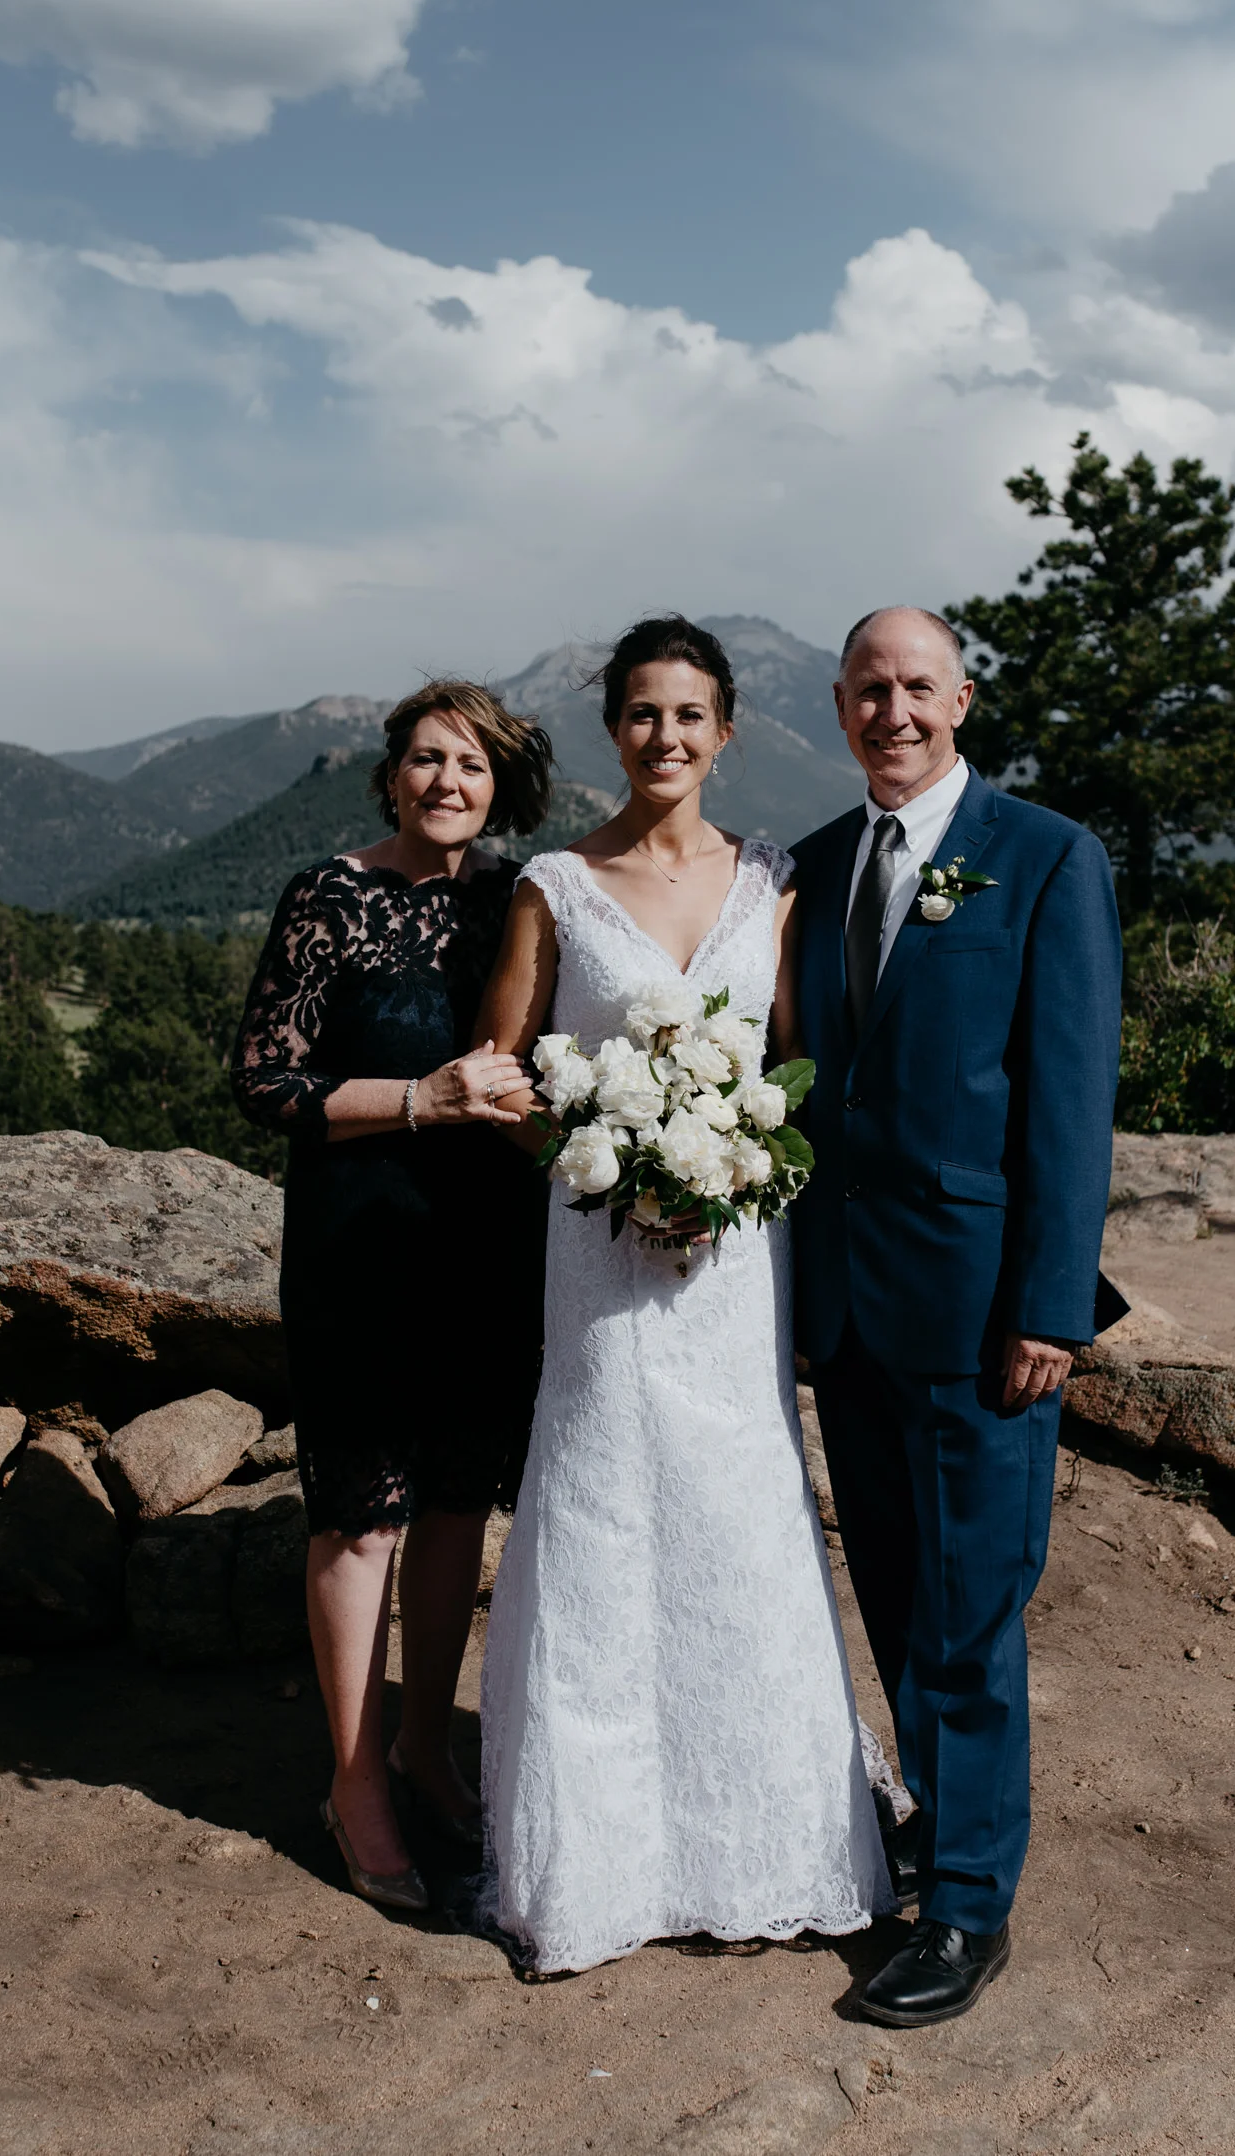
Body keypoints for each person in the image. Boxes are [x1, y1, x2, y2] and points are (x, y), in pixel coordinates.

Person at [472, 614, 894, 1975]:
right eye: (642, 715)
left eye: (690, 715)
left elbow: (789, 1068)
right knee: (597, 1513)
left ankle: (763, 1846)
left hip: (729, 1266)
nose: (665, 738)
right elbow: (500, 1072)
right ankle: (597, 1861)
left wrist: (725, 1164)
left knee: (737, 1514)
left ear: (725, 731)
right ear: (615, 729)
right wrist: (609, 1159)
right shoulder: (552, 884)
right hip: (596, 1256)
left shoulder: (773, 881)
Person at [791, 606, 1124, 2029]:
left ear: (962, 697)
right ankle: (935, 1822)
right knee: (897, 1595)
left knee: (974, 1610)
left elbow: (1067, 1098)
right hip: (846, 1310)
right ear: (841, 705)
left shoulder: (1046, 858)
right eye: (868, 690)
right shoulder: (809, 867)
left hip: (986, 1310)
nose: (893, 711)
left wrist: (1052, 1304)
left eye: (916, 686)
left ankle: (968, 1909)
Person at [231, 680, 553, 1913]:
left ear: (498, 786)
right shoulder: (327, 896)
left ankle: (427, 1744)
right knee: (361, 1517)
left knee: (459, 1505)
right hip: (357, 1253)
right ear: (389, 775)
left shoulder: (520, 901)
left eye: (469, 766)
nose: (445, 784)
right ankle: (357, 1779)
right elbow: (266, 1079)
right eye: (425, 760)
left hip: (486, 1253)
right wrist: (420, 1099)